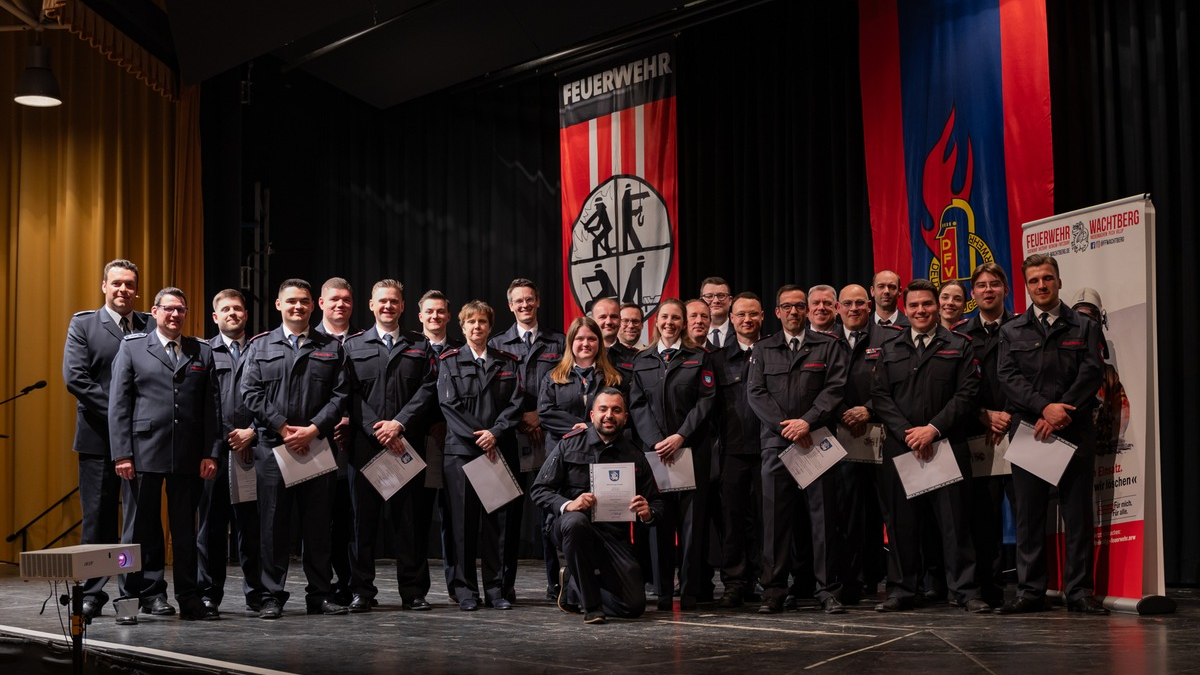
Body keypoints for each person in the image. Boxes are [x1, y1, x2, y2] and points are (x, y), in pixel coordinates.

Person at [996, 255, 1107, 615]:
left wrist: (1061, 411)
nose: (1041, 285)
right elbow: (1008, 377)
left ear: (1059, 281)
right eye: (1034, 280)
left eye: (1047, 278)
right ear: (1026, 286)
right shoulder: (1011, 330)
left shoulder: (1084, 326)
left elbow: (1091, 372)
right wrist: (1044, 408)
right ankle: (1030, 592)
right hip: (1030, 431)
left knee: (1078, 515)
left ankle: (1079, 592)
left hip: (1074, 429)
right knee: (1029, 517)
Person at [869, 279, 988, 614]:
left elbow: (967, 394)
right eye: (914, 305)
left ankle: (965, 590)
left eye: (927, 304)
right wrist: (909, 433)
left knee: (955, 523)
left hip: (946, 445)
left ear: (937, 307)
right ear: (905, 309)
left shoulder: (959, 345)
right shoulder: (889, 348)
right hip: (902, 447)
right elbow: (880, 396)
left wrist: (932, 430)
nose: (921, 310)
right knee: (901, 524)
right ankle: (902, 590)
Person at [108, 287, 220, 623]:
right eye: (168, 309)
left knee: (184, 532)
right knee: (135, 533)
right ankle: (128, 601)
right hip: (142, 453)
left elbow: (211, 408)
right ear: (154, 312)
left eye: (180, 309)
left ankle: (189, 599)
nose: (175, 315)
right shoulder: (132, 347)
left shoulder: (201, 350)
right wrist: (122, 454)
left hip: (187, 456)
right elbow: (119, 404)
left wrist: (210, 453)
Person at [241, 278, 350, 619]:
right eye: (291, 301)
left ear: (313, 305)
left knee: (318, 527)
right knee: (273, 526)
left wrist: (314, 429)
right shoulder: (260, 346)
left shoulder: (331, 347)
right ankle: (271, 595)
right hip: (275, 448)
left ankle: (320, 594)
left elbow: (341, 396)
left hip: (316, 447)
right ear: (279, 305)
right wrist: (283, 428)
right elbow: (250, 392)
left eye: (303, 301)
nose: (298, 306)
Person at [62, 259, 156, 621]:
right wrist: (123, 416)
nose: (123, 290)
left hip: (143, 441)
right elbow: (76, 379)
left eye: (129, 284)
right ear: (104, 286)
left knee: (140, 521)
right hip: (98, 438)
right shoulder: (84, 324)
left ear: (137, 290)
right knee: (98, 520)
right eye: (116, 283)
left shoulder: (151, 324)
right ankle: (92, 592)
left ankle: (141, 593)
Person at [746, 285, 848, 614]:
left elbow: (835, 389)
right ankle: (774, 590)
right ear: (777, 312)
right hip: (776, 445)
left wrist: (807, 422)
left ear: (806, 310)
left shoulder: (828, 346)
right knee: (775, 521)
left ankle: (827, 589)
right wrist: (786, 427)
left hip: (816, 440)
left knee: (824, 519)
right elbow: (756, 394)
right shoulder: (763, 349)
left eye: (799, 306)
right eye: (787, 307)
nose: (794, 312)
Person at [342, 280, 438, 613]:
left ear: (402, 306)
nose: (388, 306)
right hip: (365, 448)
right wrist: (376, 428)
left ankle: (413, 591)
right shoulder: (352, 346)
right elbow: (348, 394)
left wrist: (398, 424)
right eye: (382, 301)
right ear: (371, 305)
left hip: (405, 445)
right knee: (362, 525)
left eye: (394, 301)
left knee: (409, 524)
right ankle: (362, 591)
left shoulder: (420, 345)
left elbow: (428, 390)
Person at [531, 388, 664, 624]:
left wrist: (648, 512)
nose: (609, 415)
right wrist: (568, 504)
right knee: (576, 522)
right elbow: (539, 489)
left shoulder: (634, 454)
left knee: (633, 606)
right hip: (570, 528)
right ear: (592, 415)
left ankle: (574, 588)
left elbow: (657, 502)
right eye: (603, 409)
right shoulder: (569, 444)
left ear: (625, 417)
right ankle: (592, 608)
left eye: (616, 410)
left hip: (612, 536)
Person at [628, 298, 717, 611]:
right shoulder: (642, 359)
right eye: (664, 317)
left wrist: (680, 436)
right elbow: (637, 404)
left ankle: (689, 592)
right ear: (657, 321)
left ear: (683, 323)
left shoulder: (699, 357)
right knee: (658, 522)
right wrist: (656, 442)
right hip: (656, 455)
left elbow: (706, 402)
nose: (669, 322)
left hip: (691, 451)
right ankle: (664, 593)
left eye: (676, 318)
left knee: (692, 526)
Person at [440, 300, 524, 611]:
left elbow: (516, 403)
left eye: (483, 322)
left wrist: (496, 433)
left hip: (497, 452)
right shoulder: (449, 361)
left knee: (498, 526)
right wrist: (481, 436)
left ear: (490, 327)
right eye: (471, 322)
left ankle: (496, 590)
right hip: (462, 454)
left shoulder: (508, 362)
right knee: (462, 526)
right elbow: (449, 405)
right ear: (462, 327)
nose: (477, 327)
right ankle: (465, 592)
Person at [489, 278, 566, 602]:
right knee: (507, 515)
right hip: (510, 437)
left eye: (529, 299)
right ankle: (504, 586)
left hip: (549, 438)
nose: (525, 305)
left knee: (551, 511)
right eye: (518, 301)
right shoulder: (496, 343)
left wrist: (540, 416)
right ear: (510, 305)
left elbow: (565, 386)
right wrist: (520, 417)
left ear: (538, 302)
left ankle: (557, 584)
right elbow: (494, 393)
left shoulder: (559, 342)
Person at [198, 289, 266, 614]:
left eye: (237, 308)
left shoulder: (262, 350)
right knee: (211, 526)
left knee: (253, 528)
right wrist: (225, 435)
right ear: (215, 317)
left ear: (246, 314)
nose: (232, 313)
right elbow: (201, 402)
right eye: (225, 309)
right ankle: (209, 594)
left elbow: (271, 397)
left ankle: (258, 594)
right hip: (215, 453)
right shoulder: (203, 352)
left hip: (254, 449)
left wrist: (253, 432)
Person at [833, 283, 899, 604]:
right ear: (838, 308)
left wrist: (868, 409)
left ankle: (896, 582)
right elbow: (822, 387)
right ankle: (852, 582)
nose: (854, 308)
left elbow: (896, 384)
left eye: (860, 303)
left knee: (890, 511)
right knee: (849, 513)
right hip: (843, 435)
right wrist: (843, 413)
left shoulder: (889, 338)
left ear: (870, 305)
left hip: (884, 434)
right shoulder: (828, 341)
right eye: (848, 303)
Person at [959, 264, 1016, 606]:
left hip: (1019, 430)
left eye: (995, 284)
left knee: (1029, 514)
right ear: (973, 294)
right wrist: (984, 415)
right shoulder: (961, 335)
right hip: (979, 434)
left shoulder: (1022, 327)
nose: (988, 290)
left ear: (1006, 290)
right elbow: (959, 388)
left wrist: (1008, 415)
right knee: (983, 517)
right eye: (981, 285)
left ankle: (1033, 588)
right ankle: (989, 589)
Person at [711, 292, 764, 608]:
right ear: (731, 318)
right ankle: (733, 582)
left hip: (769, 450)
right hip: (732, 451)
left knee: (766, 520)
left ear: (762, 317)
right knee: (732, 521)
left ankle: (764, 579)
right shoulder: (717, 359)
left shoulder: (772, 351)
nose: (747, 320)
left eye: (753, 314)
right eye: (741, 314)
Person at [315, 277, 356, 605]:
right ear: (321, 303)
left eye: (345, 299)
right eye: (334, 299)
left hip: (353, 446)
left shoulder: (363, 341)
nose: (340, 304)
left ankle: (349, 584)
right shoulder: (309, 340)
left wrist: (350, 420)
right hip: (315, 442)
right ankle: (321, 588)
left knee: (348, 520)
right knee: (317, 522)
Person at [538, 317, 623, 454]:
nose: (586, 343)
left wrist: (590, 426)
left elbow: (622, 415)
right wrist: (582, 429)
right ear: (570, 342)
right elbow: (545, 413)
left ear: (599, 343)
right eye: (579, 339)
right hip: (562, 450)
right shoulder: (552, 377)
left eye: (591, 339)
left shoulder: (614, 378)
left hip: (603, 450)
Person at [700, 277, 734, 349]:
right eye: (709, 296)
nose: (716, 301)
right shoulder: (692, 334)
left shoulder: (740, 330)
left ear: (730, 300)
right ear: (701, 301)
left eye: (721, 295)